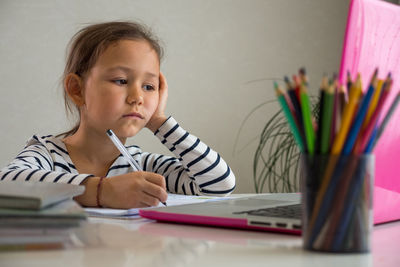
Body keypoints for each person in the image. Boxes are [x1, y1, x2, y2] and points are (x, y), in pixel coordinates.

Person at [0, 21, 235, 209]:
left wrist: (159, 122)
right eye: (121, 81)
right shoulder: (47, 153)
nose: (137, 97)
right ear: (77, 89)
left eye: (149, 86)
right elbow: (6, 184)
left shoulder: (143, 166)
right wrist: (102, 191)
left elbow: (219, 184)